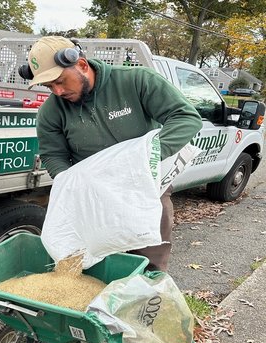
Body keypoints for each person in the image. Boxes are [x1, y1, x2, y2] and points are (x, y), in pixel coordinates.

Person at [18, 36, 203, 272]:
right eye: (49, 86)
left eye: (60, 81)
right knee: (98, 265)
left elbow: (186, 118)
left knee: (147, 264)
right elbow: (53, 154)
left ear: (82, 65)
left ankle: (146, 301)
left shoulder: (136, 81)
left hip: (144, 190)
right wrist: (69, 184)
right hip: (94, 200)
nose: (57, 91)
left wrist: (145, 159)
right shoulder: (51, 112)